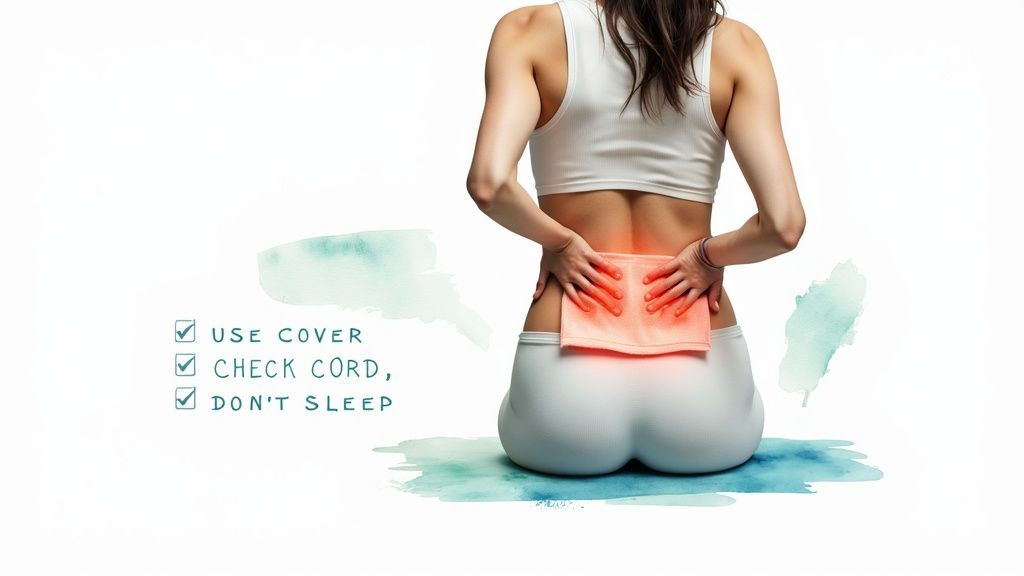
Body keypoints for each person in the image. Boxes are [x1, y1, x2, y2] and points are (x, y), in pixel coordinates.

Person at [466, 0, 805, 475]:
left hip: (563, 396)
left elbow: (490, 184)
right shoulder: (736, 45)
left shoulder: (528, 30)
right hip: (703, 395)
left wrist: (560, 242)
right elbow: (783, 226)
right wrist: (707, 257)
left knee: (519, 413)